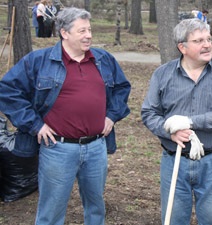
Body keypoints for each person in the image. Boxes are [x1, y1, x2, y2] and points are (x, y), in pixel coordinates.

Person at [0, 7, 131, 225]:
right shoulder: (38, 61)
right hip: (57, 149)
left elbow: (121, 87)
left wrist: (111, 116)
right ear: (64, 33)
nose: (88, 35)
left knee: (96, 205)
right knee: (51, 210)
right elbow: (8, 91)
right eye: (82, 31)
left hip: (97, 147)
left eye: (89, 30)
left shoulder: (103, 59)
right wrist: (35, 125)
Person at [141, 18, 212, 225]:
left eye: (208, 39)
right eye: (198, 41)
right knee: (174, 218)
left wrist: (188, 121)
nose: (207, 45)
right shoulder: (162, 74)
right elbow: (149, 112)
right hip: (174, 159)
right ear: (182, 47)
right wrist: (170, 131)